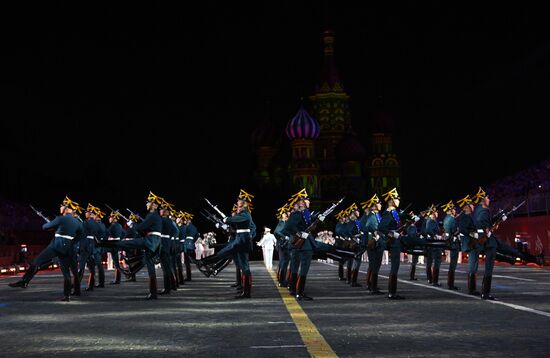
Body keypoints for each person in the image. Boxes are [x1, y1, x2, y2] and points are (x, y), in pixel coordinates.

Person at [8, 196, 82, 301]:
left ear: (67, 208)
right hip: (67, 248)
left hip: (56, 245)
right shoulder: (77, 222)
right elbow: (80, 235)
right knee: (66, 274)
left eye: (62, 206)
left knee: (36, 262)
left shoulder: (60, 218)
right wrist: (71, 241)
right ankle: (67, 296)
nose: (60, 207)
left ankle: (24, 281)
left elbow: (45, 227)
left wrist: (55, 226)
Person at [97, 191, 162, 300]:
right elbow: (144, 229)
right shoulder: (155, 216)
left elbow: (141, 227)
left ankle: (103, 243)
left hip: (150, 240)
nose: (146, 204)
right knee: (149, 266)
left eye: (148, 202)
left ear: (153, 205)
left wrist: (132, 224)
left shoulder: (152, 215)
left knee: (125, 243)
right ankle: (153, 292)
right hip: (153, 241)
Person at [378, 187, 405, 299]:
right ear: (390, 201)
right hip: (393, 242)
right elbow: (381, 227)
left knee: (396, 266)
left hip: (396, 242)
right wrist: (393, 234)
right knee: (394, 267)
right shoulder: (388, 213)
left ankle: (392, 292)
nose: (398, 200)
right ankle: (392, 292)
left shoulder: (394, 213)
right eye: (396, 198)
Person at [442, 201, 460, 290]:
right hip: (453, 242)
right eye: (453, 209)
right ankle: (450, 284)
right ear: (450, 210)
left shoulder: (446, 218)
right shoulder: (452, 219)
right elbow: (454, 230)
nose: (454, 211)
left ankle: (450, 283)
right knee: (453, 264)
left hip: (449, 241)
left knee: (452, 264)